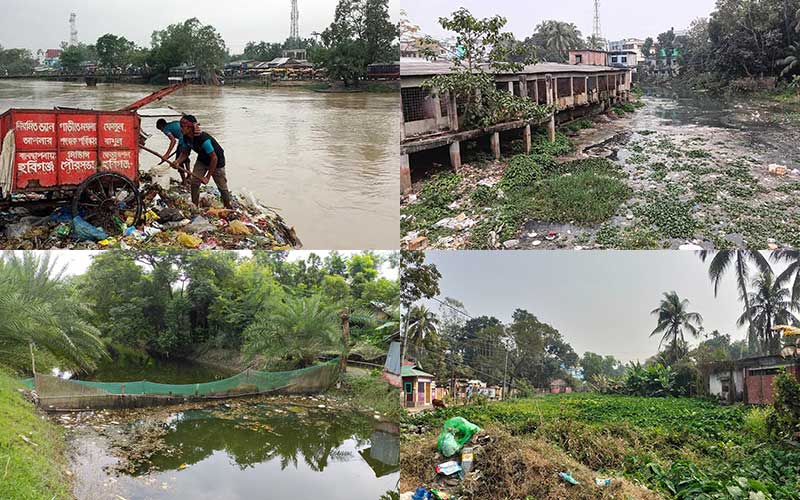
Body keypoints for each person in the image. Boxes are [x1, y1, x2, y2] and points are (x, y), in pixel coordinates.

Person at [173, 115, 232, 209]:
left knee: (222, 186)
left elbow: (214, 158)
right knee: (194, 182)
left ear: (190, 128)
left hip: (217, 161)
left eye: (182, 127)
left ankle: (228, 206)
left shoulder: (203, 139)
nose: (180, 129)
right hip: (202, 160)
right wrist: (177, 161)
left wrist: (207, 177)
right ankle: (195, 206)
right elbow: (185, 152)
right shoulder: (185, 138)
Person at [155, 118, 189, 184]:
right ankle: (189, 174)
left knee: (178, 162)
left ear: (161, 126)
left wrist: (166, 154)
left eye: (161, 130)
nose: (162, 131)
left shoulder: (165, 129)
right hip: (188, 140)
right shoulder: (173, 123)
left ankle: (184, 181)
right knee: (185, 157)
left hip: (183, 140)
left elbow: (173, 140)